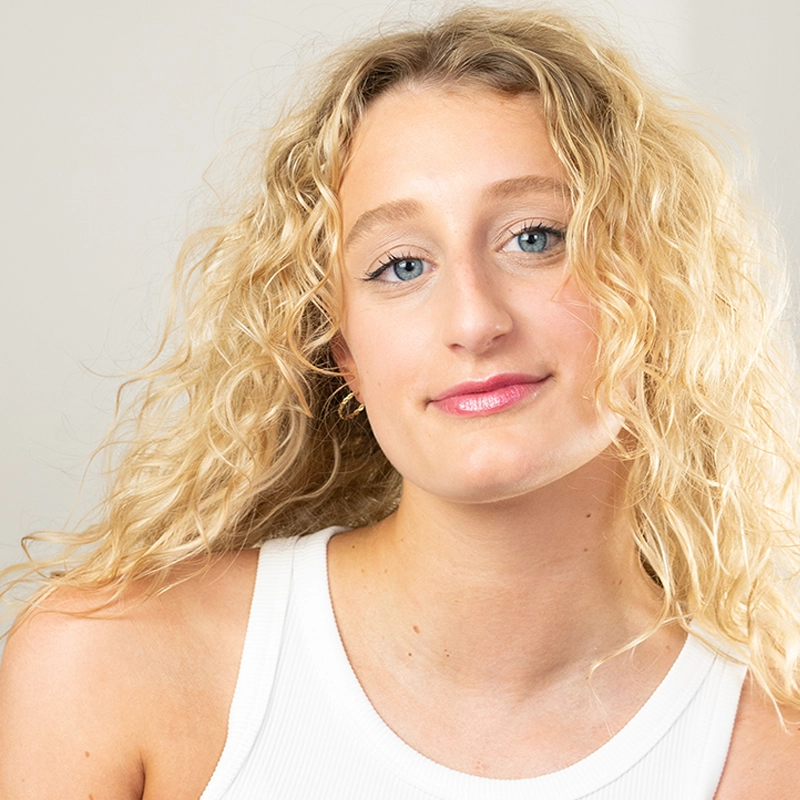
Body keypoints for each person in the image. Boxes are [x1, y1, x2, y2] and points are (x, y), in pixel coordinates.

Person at [1, 6, 799, 798]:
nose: (475, 320)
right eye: (401, 266)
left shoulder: (772, 750)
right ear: (342, 350)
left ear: (659, 285)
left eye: (535, 238)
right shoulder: (109, 666)